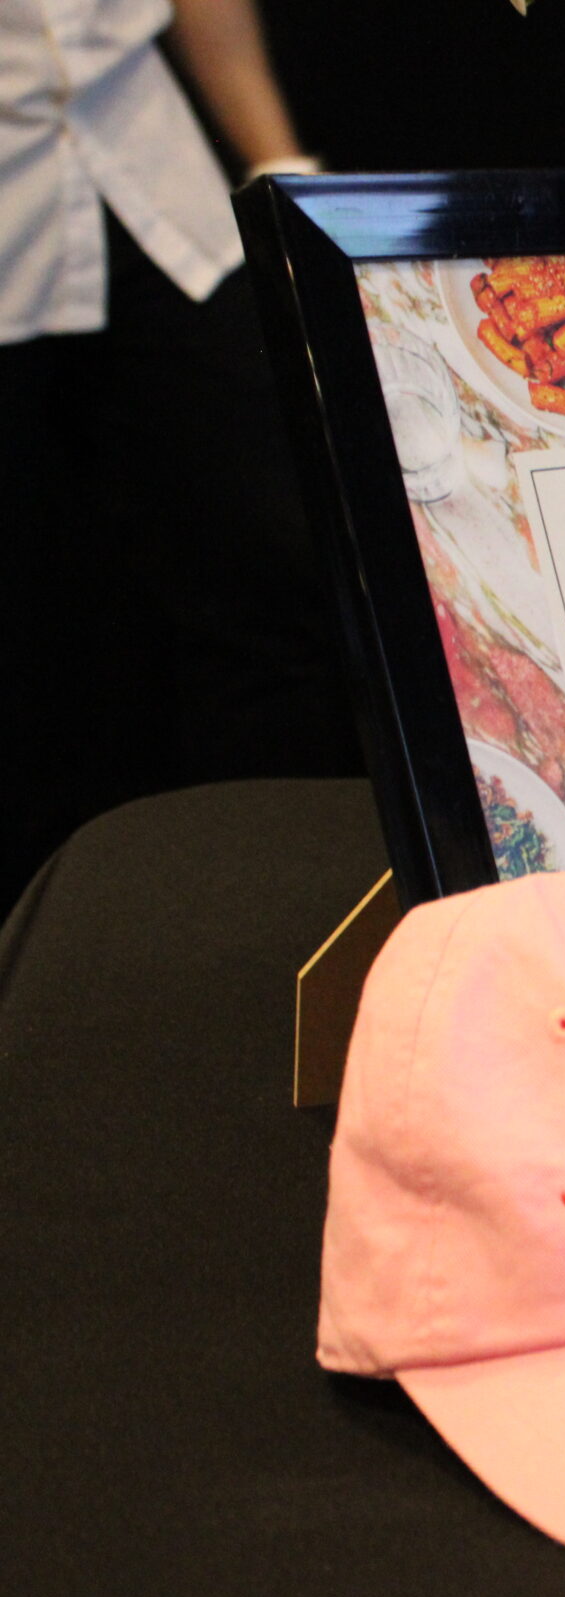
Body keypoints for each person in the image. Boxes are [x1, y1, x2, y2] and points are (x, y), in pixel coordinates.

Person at [1, 0, 356, 913]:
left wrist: (277, 169)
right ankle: (35, 958)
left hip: (143, 162)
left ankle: (276, 906)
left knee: (280, 557)